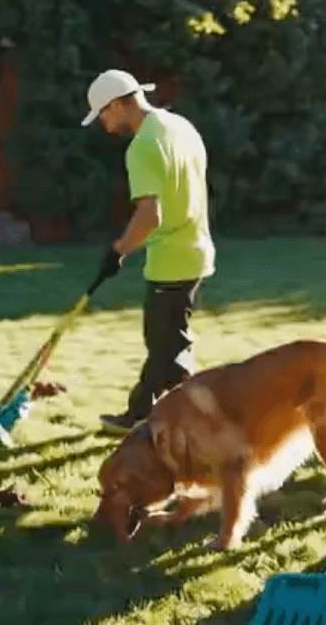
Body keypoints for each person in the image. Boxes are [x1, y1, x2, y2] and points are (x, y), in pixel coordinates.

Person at [81, 69, 216, 435]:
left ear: (116, 104)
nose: (106, 126)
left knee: (165, 348)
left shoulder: (143, 145)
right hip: (196, 251)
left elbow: (150, 215)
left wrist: (117, 251)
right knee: (170, 343)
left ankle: (151, 417)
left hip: (171, 260)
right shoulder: (180, 127)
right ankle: (167, 416)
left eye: (104, 115)